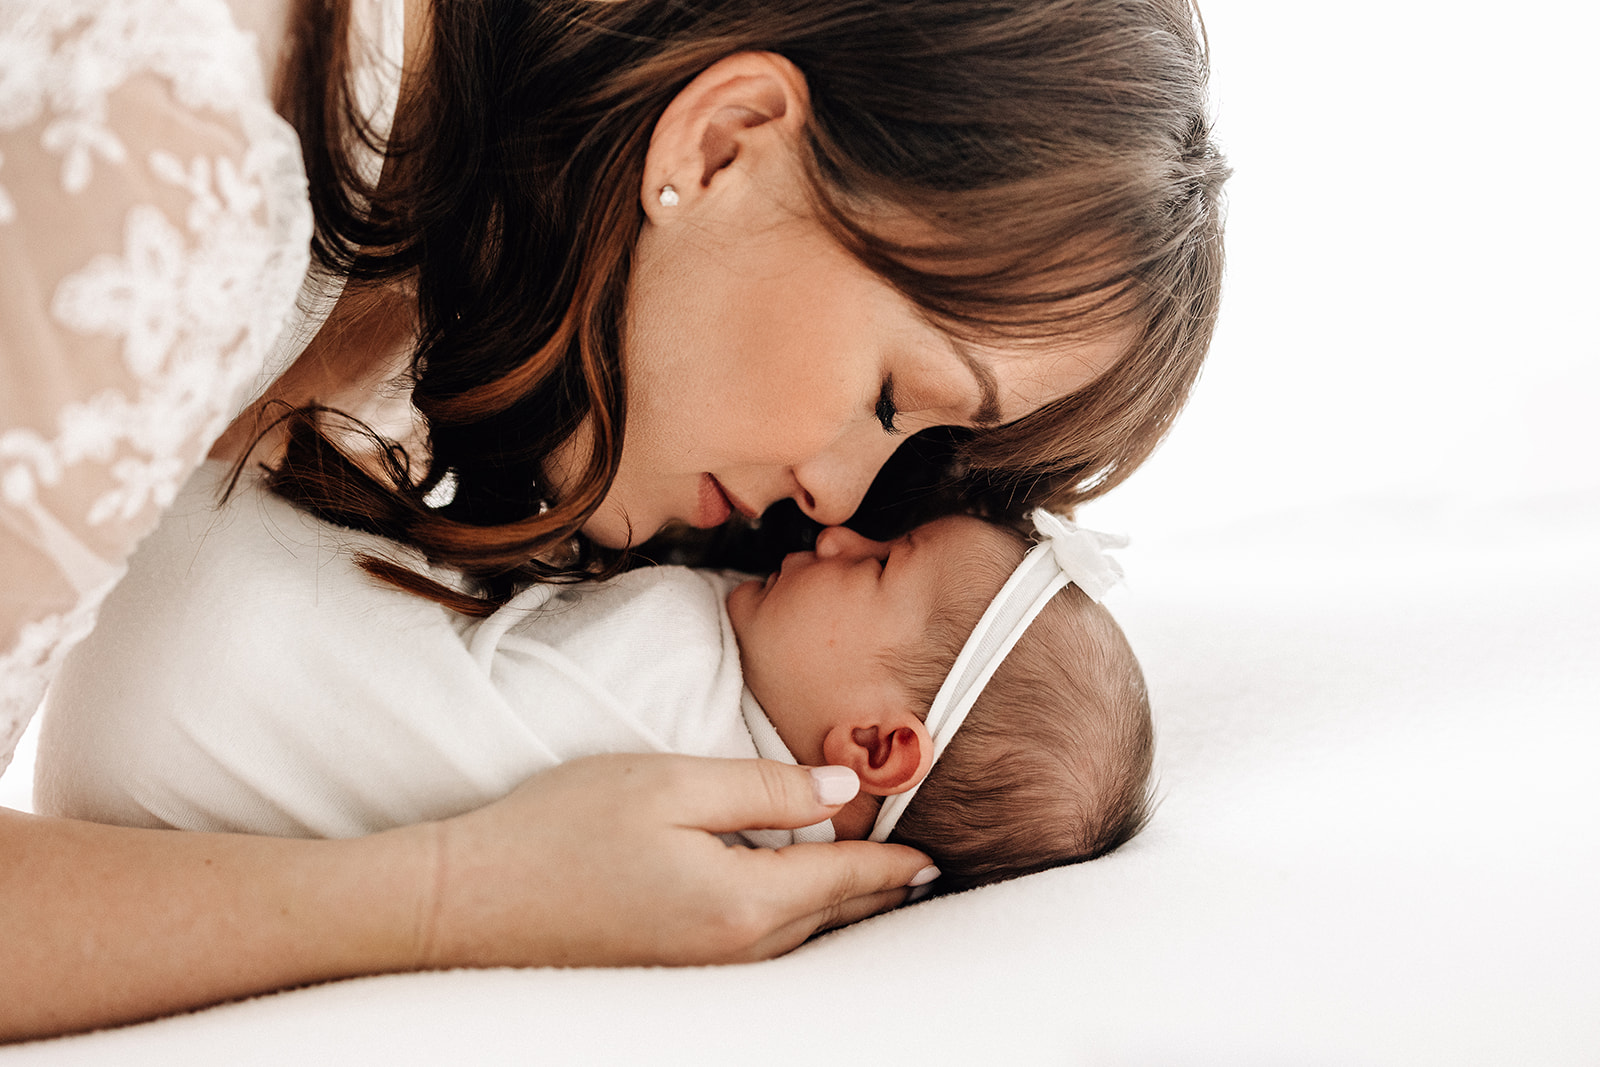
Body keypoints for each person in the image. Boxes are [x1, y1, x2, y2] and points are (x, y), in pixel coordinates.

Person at [0, 0, 1226, 1039]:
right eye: (894, 399)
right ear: (726, 141)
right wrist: (453, 896)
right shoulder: (158, 158)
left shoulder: (427, 319)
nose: (838, 504)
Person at [37, 463, 1153, 893]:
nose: (836, 534)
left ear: (872, 744)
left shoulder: (680, 688)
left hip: (185, 676)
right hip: (115, 774)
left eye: (876, 568)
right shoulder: (755, 804)